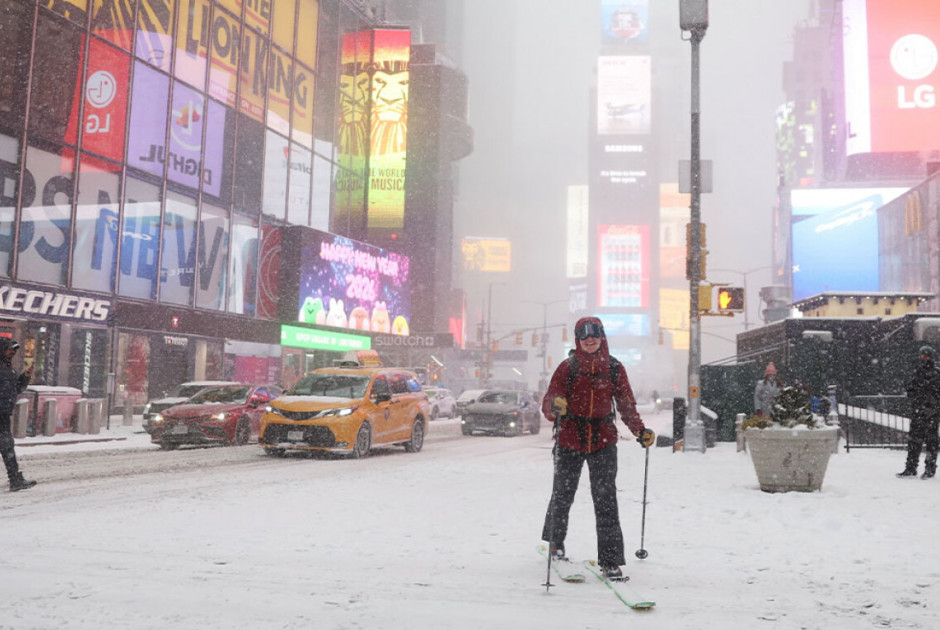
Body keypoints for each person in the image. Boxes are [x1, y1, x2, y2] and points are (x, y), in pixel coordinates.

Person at [540, 317, 654, 581]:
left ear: (602, 337)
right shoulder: (567, 368)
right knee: (563, 494)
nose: (589, 340)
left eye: (594, 336)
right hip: (570, 438)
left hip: (603, 440)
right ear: (578, 341)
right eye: (583, 337)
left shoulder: (614, 368)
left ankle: (611, 561)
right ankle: (555, 543)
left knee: (606, 500)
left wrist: (639, 431)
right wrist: (554, 405)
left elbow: (626, 403)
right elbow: (549, 400)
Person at [897, 346, 940, 479]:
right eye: (922, 357)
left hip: (931, 411)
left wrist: (933, 405)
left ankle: (929, 468)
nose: (923, 359)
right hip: (919, 410)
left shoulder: (936, 373)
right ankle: (911, 467)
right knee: (914, 440)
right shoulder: (917, 372)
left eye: (926, 357)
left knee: (931, 441)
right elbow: (910, 389)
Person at [0, 337, 36, 491]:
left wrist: (25, 377)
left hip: (4, 414)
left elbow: (16, 389)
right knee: (7, 445)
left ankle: (15, 479)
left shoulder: (9, 367)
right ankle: (15, 479)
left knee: (7, 446)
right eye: (10, 348)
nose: (13, 352)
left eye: (14, 349)